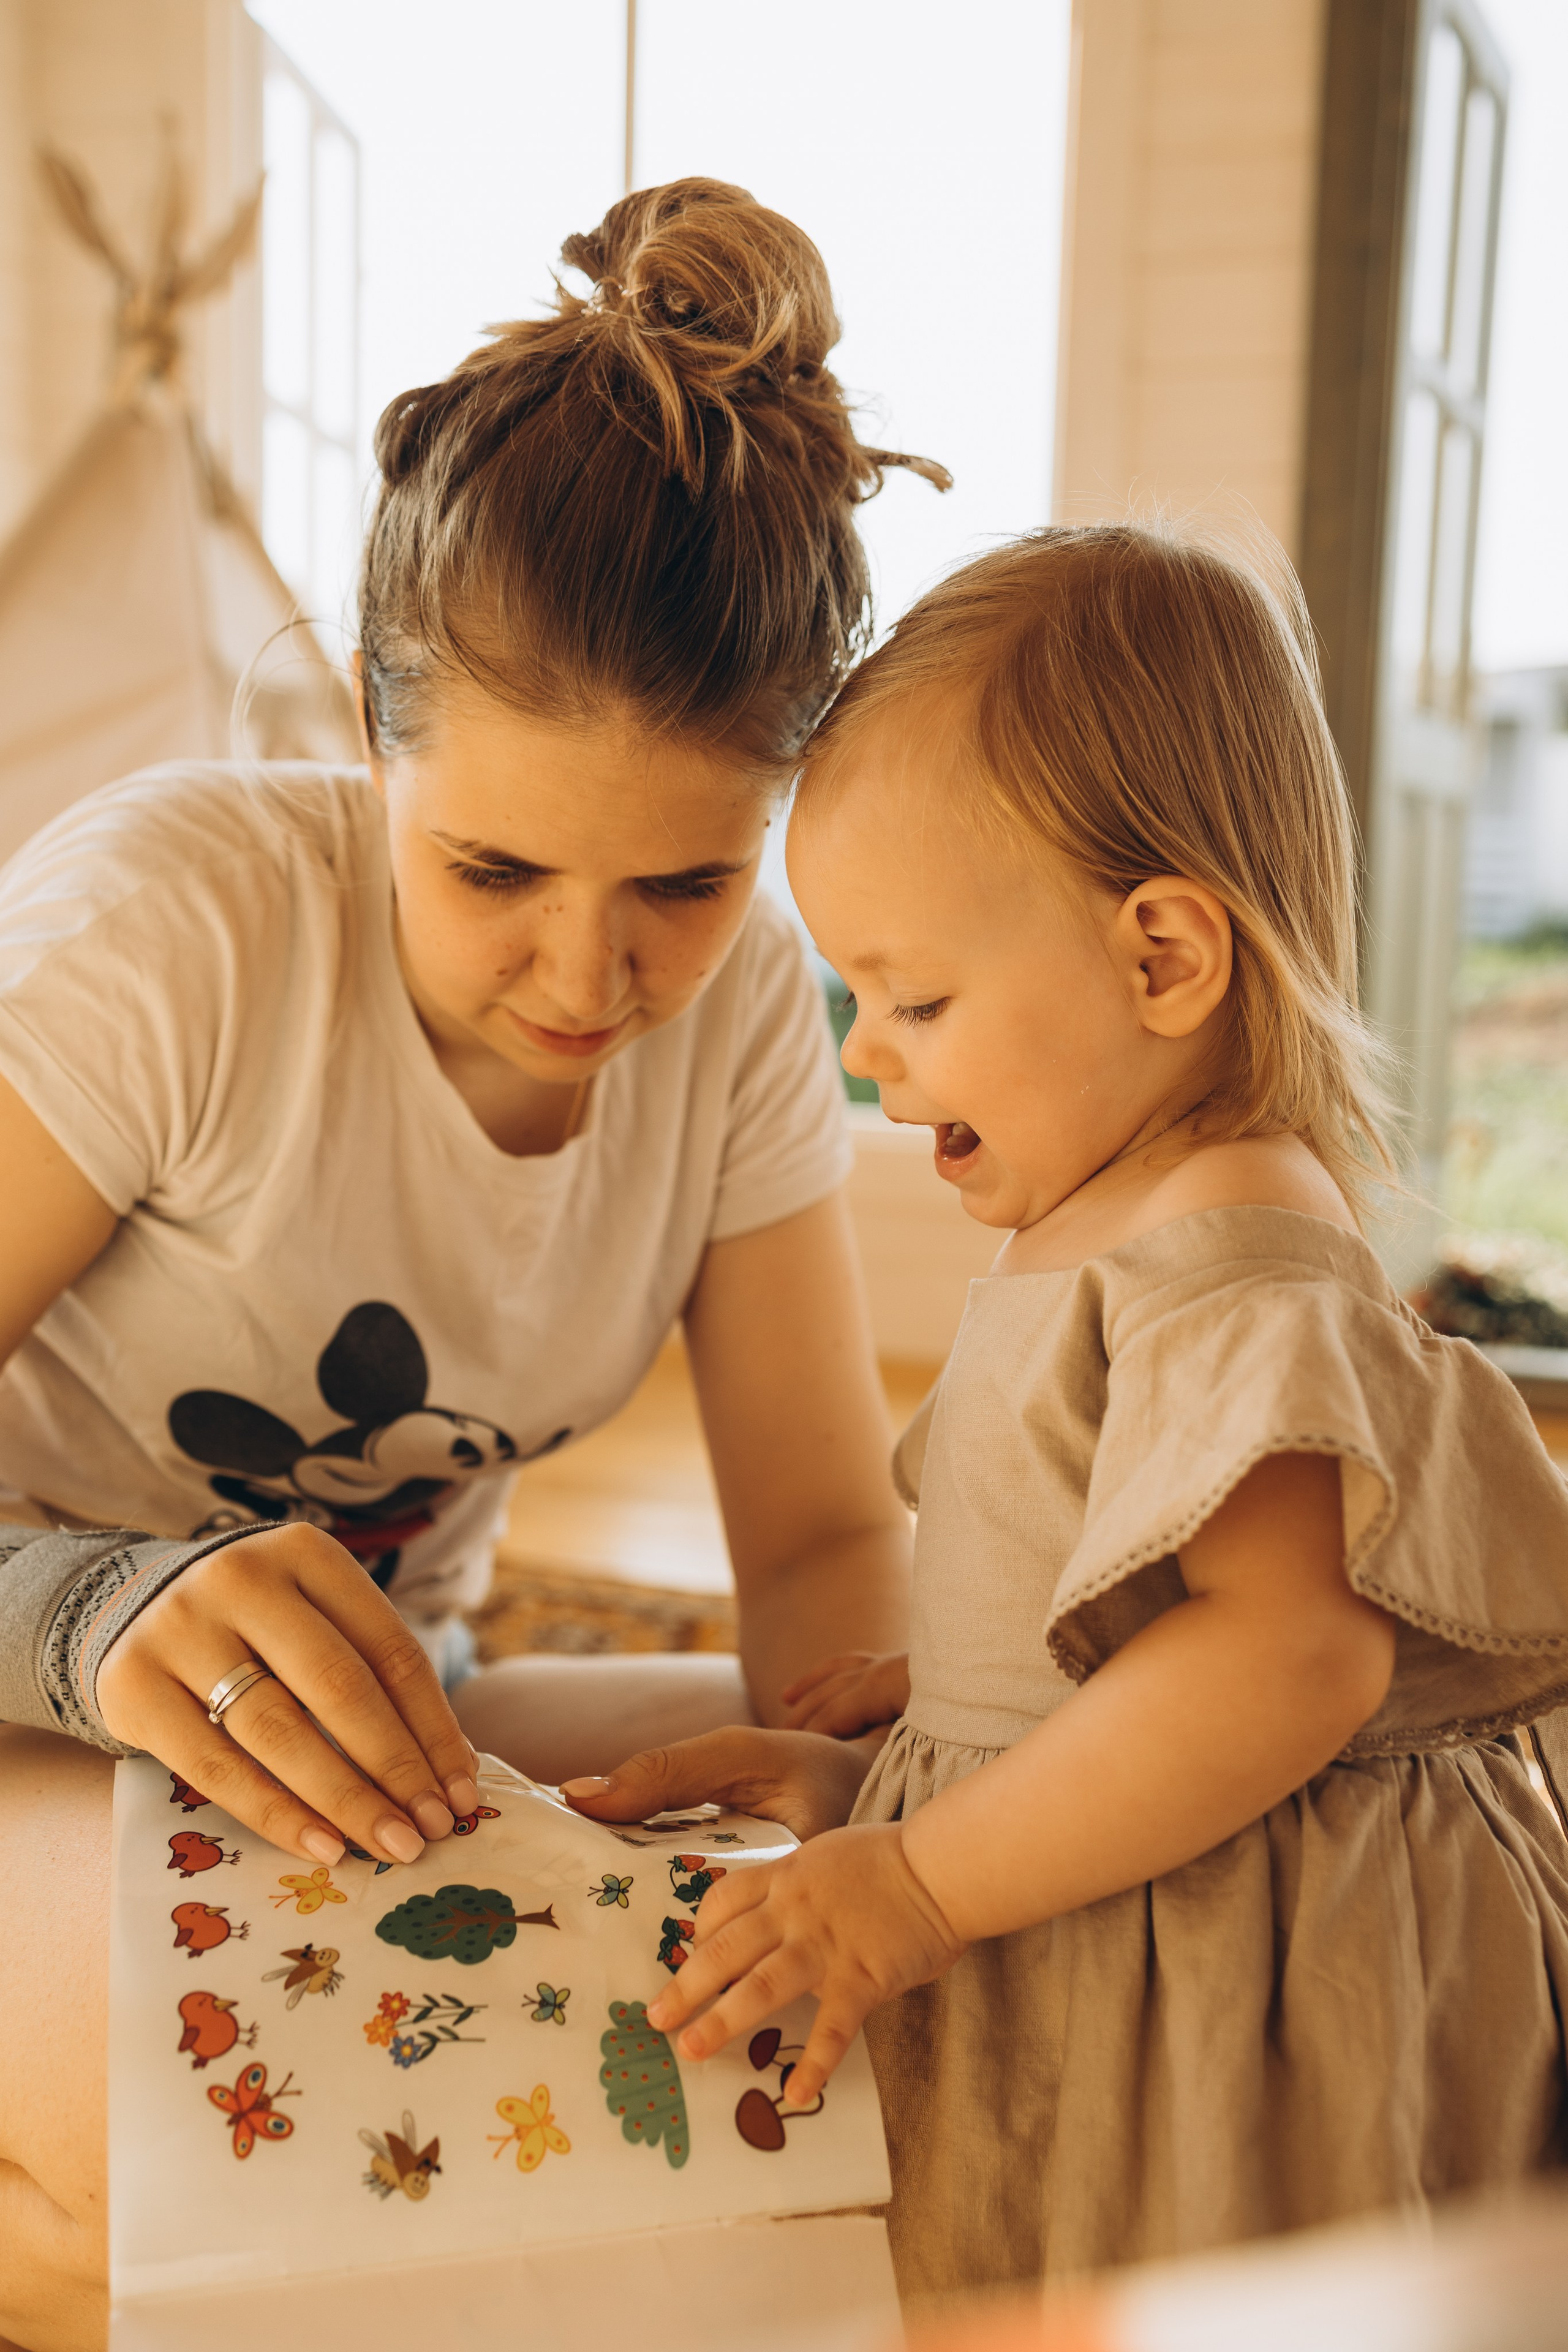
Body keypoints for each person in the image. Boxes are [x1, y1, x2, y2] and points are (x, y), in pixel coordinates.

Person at [0, 179, 944, 2348]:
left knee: (1019, 1859)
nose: (591, 981)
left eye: (686, 885)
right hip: (29, 1693)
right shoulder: (175, 931)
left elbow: (819, 1541)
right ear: (366, 726)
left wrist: (876, 1816)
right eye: (495, 866)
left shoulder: (741, 1014)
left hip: (389, 1722)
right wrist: (95, 1613)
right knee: (196, 2180)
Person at [582, 524, 1568, 2304]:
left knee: (1183, 2297)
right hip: (1123, 1905)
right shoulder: (1115, 1218)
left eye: (919, 998)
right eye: (859, 997)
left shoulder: (1228, 1245)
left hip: (1232, 1979)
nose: (868, 1050)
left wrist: (918, 1883)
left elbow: (1284, 1660)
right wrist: (943, 1728)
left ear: (1165, 958)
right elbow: (1162, 1614)